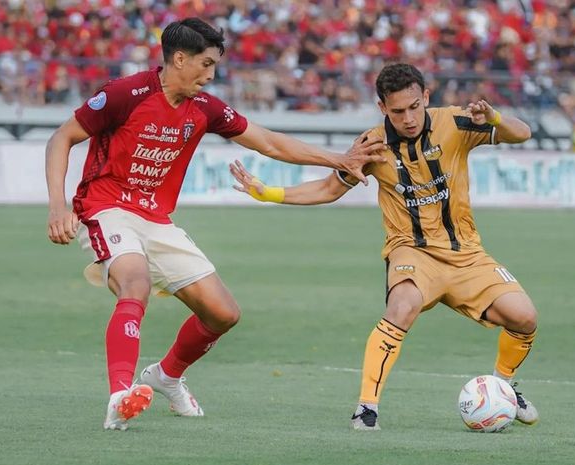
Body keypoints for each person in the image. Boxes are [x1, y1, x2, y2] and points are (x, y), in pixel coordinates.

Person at [45, 17, 384, 431]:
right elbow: (61, 138)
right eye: (205, 64)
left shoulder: (204, 108)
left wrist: (339, 159)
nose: (210, 74)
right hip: (105, 206)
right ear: (179, 58)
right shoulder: (125, 94)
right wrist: (58, 207)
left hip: (155, 217)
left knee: (223, 314)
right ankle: (119, 396)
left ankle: (166, 376)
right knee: (135, 284)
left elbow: (270, 141)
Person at [230, 63, 539, 431]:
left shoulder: (457, 122)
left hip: (466, 253)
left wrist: (496, 118)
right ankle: (366, 408)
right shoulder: (372, 144)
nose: (408, 118)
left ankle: (502, 386)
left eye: (414, 106)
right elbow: (328, 189)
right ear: (382, 108)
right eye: (397, 111)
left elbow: (522, 133)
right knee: (401, 307)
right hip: (411, 251)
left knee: (524, 317)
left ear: (426, 97)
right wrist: (270, 194)